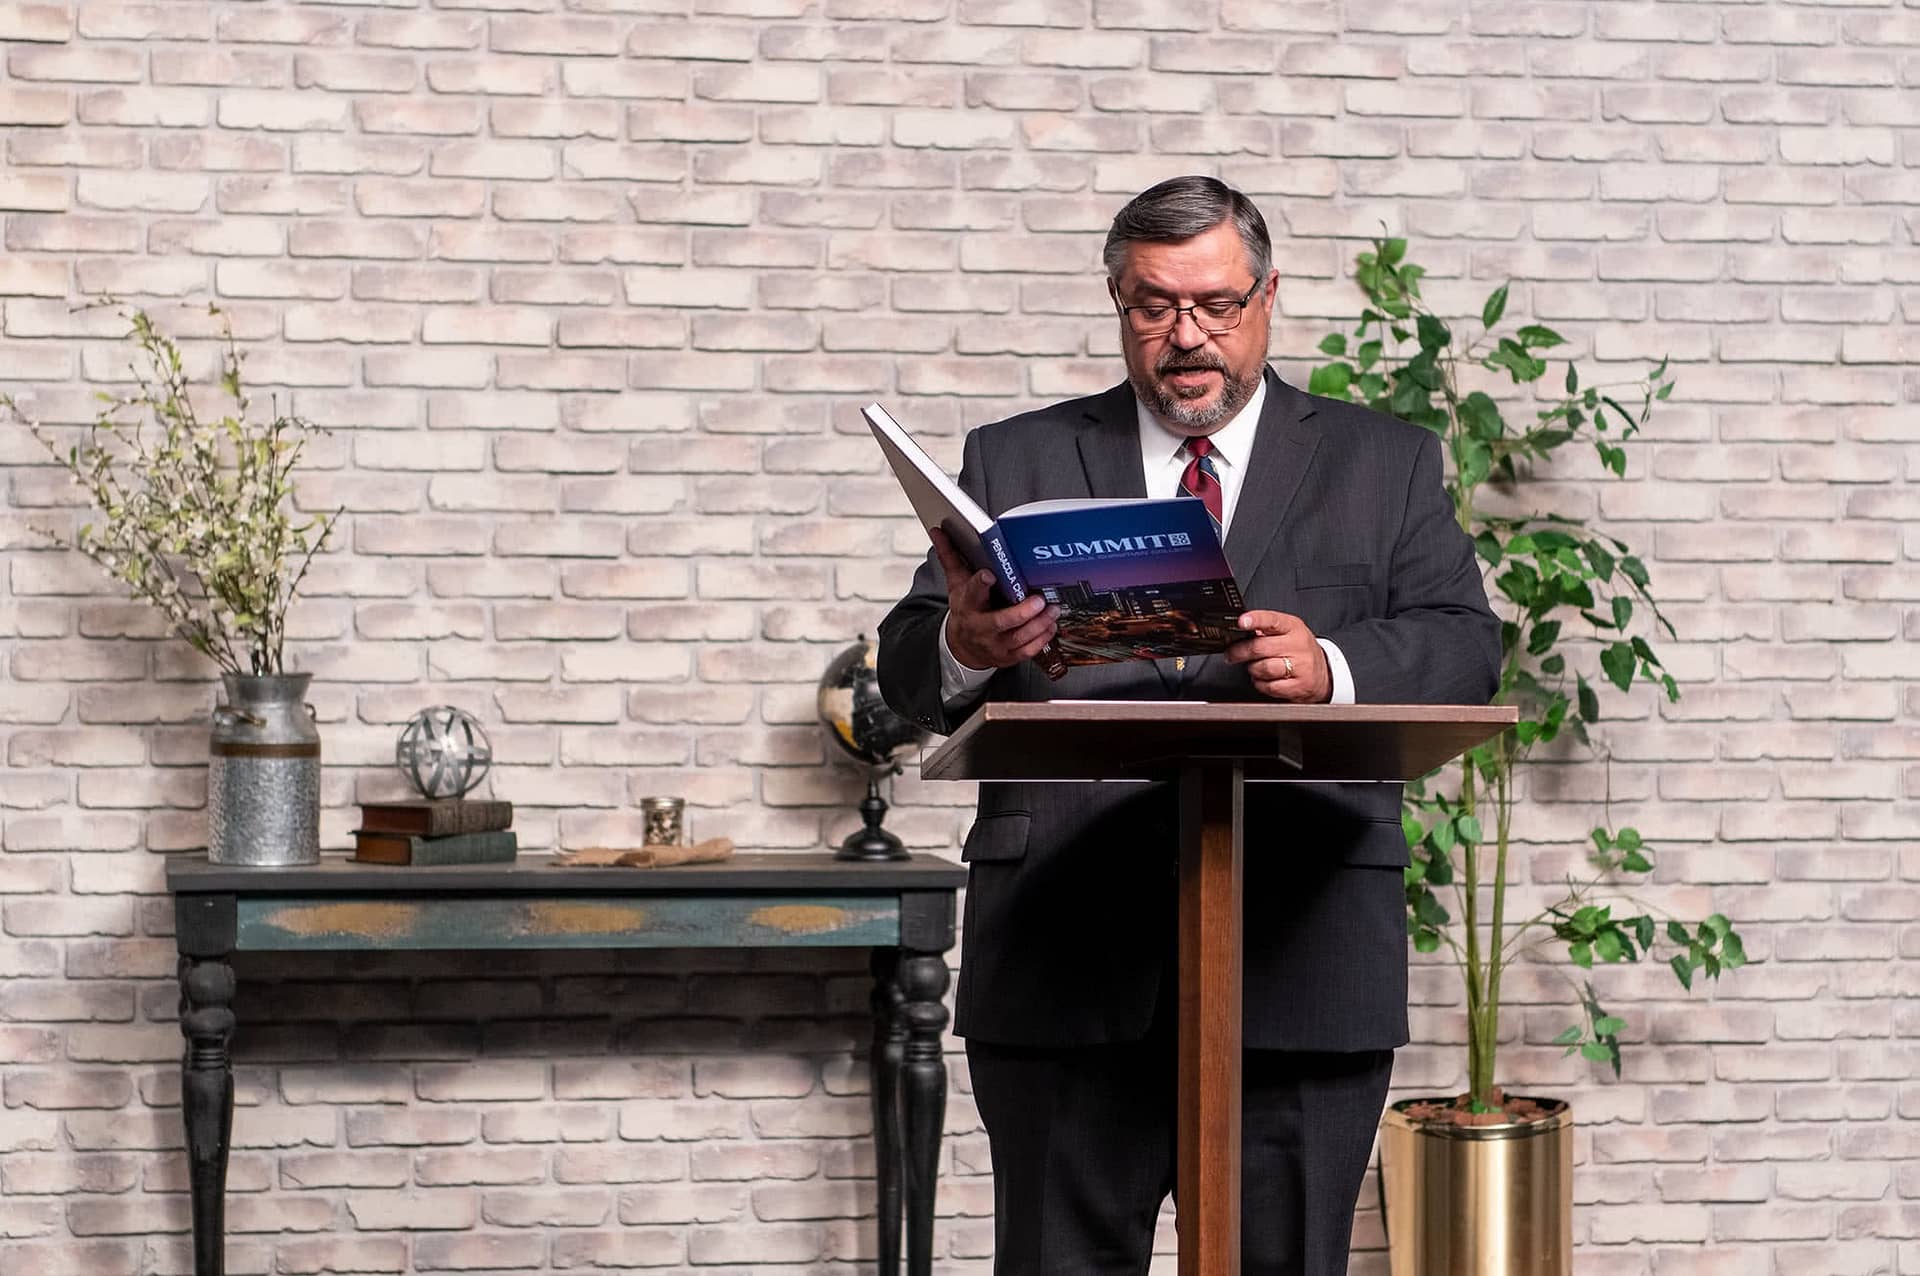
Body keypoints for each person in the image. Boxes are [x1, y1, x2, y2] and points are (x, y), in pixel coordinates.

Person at [876, 175, 1500, 1276]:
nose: (1186, 336)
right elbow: (907, 664)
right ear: (1118, 305)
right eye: (1153, 306)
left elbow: (1465, 643)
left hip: (1304, 950)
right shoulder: (1014, 458)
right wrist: (968, 647)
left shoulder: (1383, 462)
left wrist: (1332, 667)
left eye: (1215, 305)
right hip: (1062, 954)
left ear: (1267, 300)